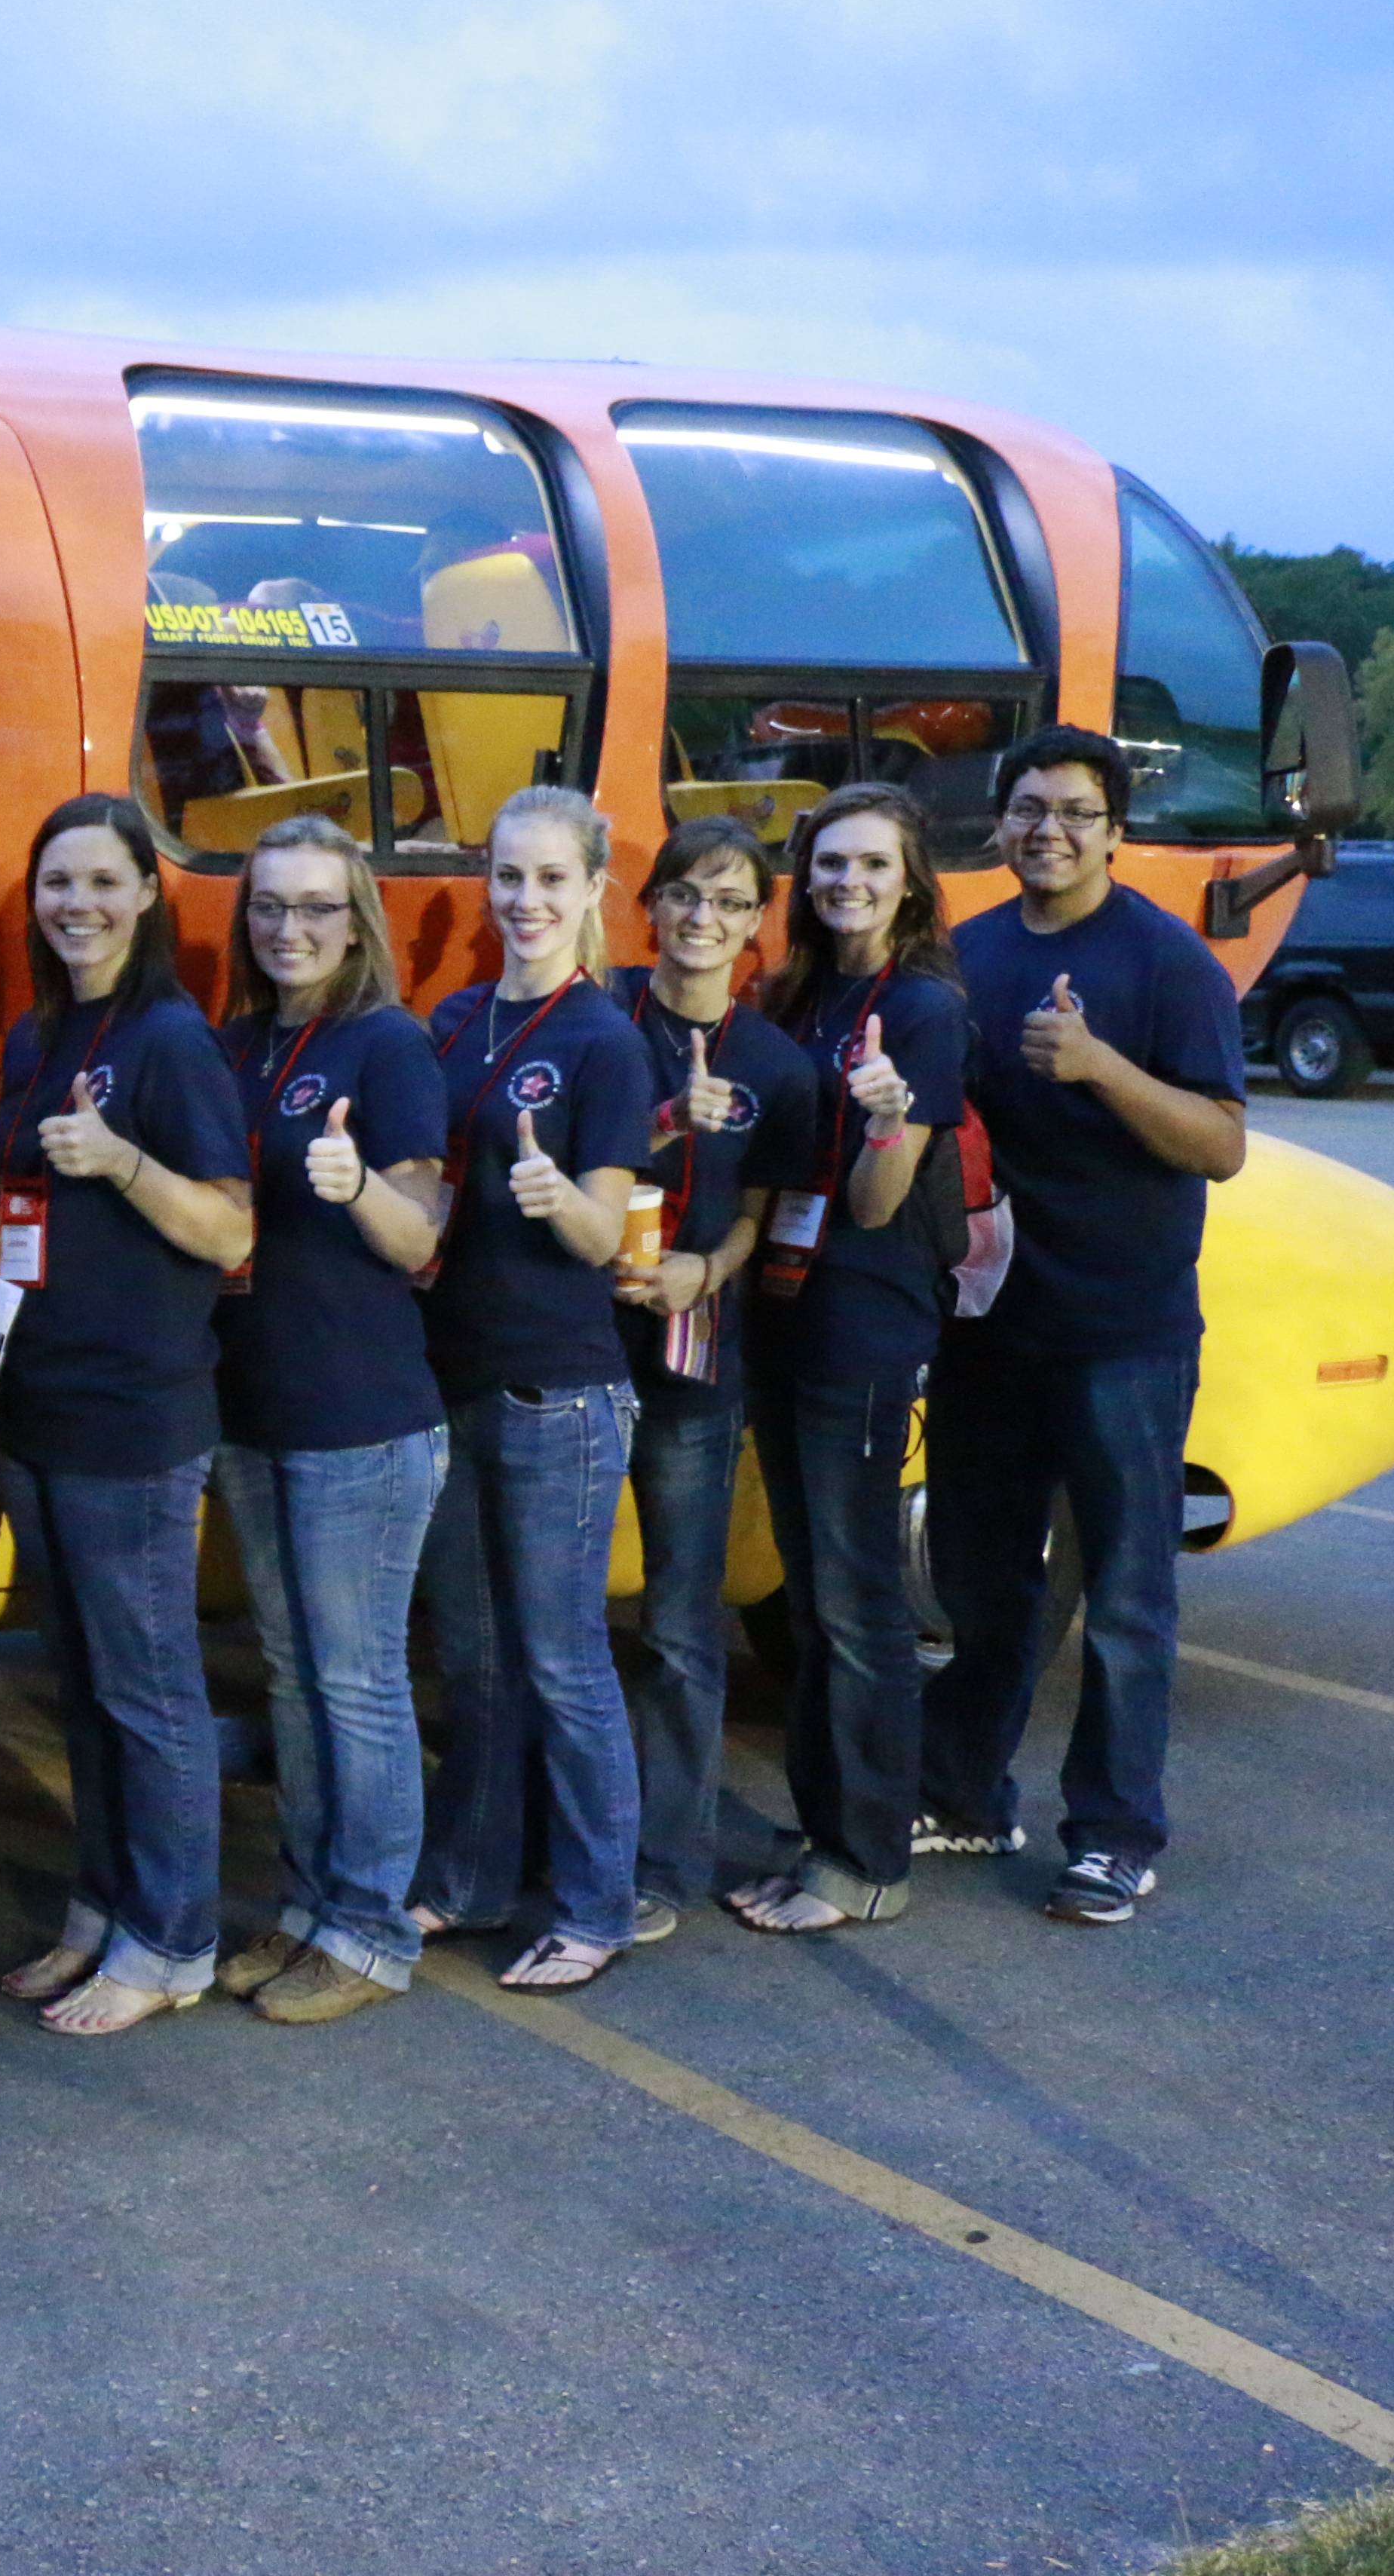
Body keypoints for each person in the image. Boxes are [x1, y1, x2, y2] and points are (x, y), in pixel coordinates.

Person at [922, 727, 1248, 1927]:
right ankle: (960, 1792)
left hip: (1124, 1331)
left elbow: (1222, 1143)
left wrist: (1102, 1066)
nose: (1046, 830)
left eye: (1073, 810)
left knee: (1124, 1596)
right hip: (990, 1325)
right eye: (1026, 808)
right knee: (983, 1586)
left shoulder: (1168, 965)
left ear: (1116, 829)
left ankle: (1114, 1834)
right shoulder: (969, 953)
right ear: (999, 825)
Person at [0, 794, 256, 2036]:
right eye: (57, 884)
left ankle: (175, 1940)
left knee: (150, 1695)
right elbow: (21, 1239)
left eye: (102, 881)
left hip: (138, 1420)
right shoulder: (38, 1036)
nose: (77, 905)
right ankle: (103, 1909)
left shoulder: (167, 1041)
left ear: (150, 891)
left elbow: (230, 1228)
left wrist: (125, 1161)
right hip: (43, 1407)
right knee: (83, 1687)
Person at [201, 816, 451, 2027]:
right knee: (296, 1677)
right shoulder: (237, 1042)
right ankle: (308, 1907)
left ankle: (371, 1932)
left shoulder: (387, 1045)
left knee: (358, 1683)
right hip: (254, 1411)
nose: (289, 928)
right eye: (268, 907)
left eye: (313, 907)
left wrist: (360, 1193)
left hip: (361, 1419)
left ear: (357, 922)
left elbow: (423, 1234)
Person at [407, 784, 654, 1992]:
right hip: (456, 1379)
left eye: (553, 879)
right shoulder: (455, 1020)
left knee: (563, 1661)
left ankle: (600, 1905)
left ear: (593, 889)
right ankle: (467, 1881)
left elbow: (616, 1235)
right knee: (476, 1658)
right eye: (509, 876)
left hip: (559, 1394)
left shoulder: (604, 1036)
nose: (527, 900)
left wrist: (565, 1207)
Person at [722, 783, 967, 1934]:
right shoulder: (801, 993)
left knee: (859, 1603)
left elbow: (874, 1204)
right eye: (828, 864)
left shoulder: (920, 1011)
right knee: (813, 1598)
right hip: (783, 1309)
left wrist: (883, 1117)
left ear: (912, 881)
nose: (847, 883)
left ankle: (870, 1860)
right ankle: (824, 1840)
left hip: (861, 1327)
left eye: (872, 864)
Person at [608, 817, 819, 1945]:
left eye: (729, 903)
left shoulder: (772, 1065)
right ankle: (573, 1838)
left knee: (683, 1625)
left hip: (695, 1361)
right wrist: (655, 1121)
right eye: (684, 894)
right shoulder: (599, 1015)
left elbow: (758, 1213)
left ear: (753, 927)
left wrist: (707, 1268)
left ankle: (663, 1863)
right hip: (582, 1352)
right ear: (648, 904)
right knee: (550, 1616)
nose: (702, 918)